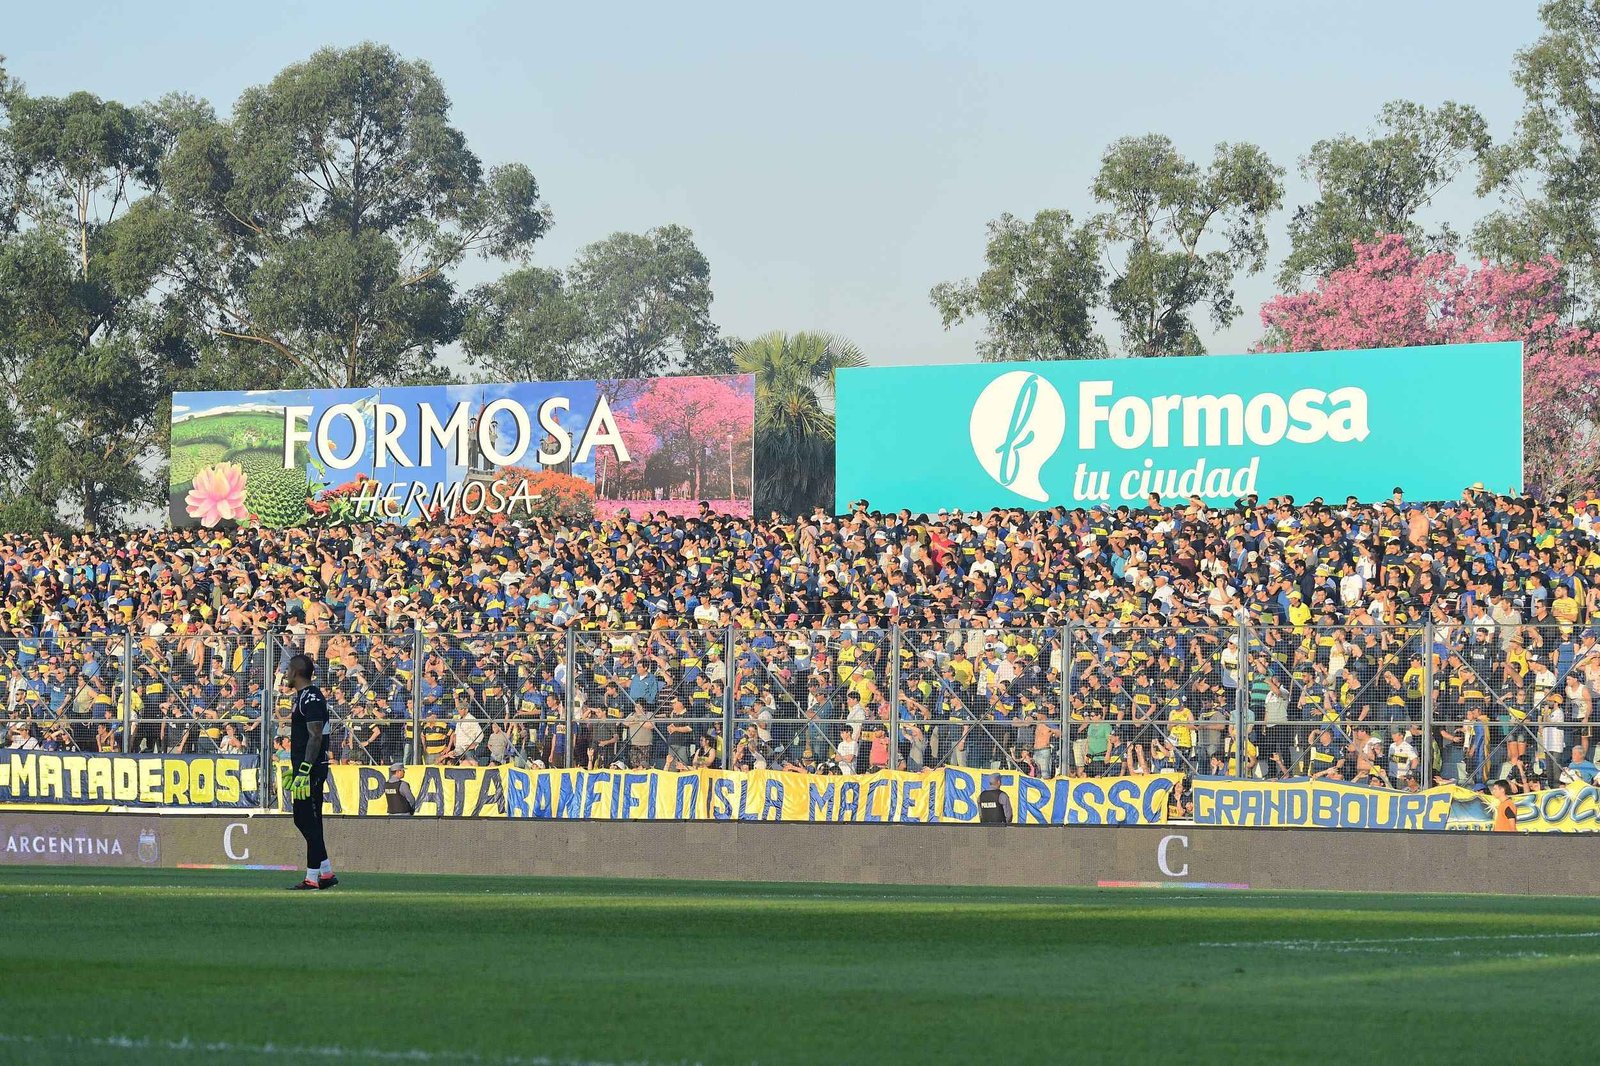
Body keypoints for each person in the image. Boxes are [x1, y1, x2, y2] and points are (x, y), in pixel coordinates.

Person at [284, 653, 337, 889]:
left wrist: (305, 768)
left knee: (308, 819)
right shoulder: (303, 697)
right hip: (305, 769)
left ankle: (312, 877)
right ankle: (325, 872)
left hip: (311, 770)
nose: (285, 674)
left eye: (288, 670)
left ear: (296, 672)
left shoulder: (311, 698)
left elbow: (315, 736)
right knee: (305, 820)